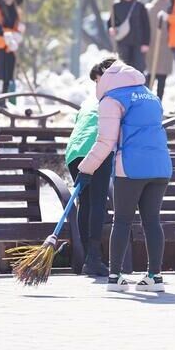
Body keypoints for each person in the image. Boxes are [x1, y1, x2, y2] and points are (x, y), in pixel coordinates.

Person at [75, 57, 172, 293]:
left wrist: (85, 169)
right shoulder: (150, 94)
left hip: (131, 167)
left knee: (122, 220)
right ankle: (154, 277)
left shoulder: (112, 99)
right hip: (160, 166)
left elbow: (106, 141)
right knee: (152, 221)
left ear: (105, 77)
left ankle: (115, 277)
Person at [64, 57, 116, 276]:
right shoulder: (114, 99)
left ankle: (86, 256)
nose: (98, 86)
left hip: (74, 152)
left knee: (84, 202)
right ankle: (93, 257)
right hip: (97, 150)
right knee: (97, 202)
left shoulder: (88, 102)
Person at [107, 0, 150, 73]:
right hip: (123, 43)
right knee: (124, 68)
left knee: (138, 68)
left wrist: (146, 43)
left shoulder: (140, 6)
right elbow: (111, 22)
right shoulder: (116, 6)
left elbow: (146, 26)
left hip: (138, 43)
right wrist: (111, 29)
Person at [0, 0, 23, 97]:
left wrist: (18, 34)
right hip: (0, 45)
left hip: (11, 47)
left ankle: (4, 96)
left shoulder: (15, 11)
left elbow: (17, 26)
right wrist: (9, 33)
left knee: (8, 72)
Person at [145, 0, 172, 100]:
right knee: (159, 77)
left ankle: (147, 100)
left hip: (161, 47)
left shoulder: (152, 7)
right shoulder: (162, 7)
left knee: (152, 75)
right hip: (157, 47)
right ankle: (156, 101)